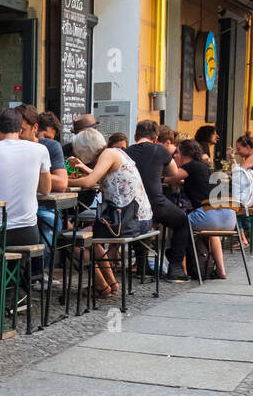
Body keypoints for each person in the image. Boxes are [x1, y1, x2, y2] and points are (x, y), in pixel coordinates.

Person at [0, 108, 51, 320]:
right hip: (27, 232)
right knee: (17, 260)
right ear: (19, 129)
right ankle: (7, 300)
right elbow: (46, 189)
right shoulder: (39, 150)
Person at [67, 127, 152, 299]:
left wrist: (62, 180)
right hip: (139, 219)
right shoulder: (115, 153)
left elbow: (91, 181)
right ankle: (110, 284)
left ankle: (101, 286)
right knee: (92, 235)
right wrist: (84, 168)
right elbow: (103, 176)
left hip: (128, 221)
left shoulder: (109, 154)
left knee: (73, 240)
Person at [128, 120, 189, 280]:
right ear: (155, 138)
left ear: (135, 136)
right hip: (155, 202)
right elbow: (173, 173)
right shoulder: (160, 150)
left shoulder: (126, 152)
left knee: (142, 222)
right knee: (182, 221)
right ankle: (175, 267)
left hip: (132, 206)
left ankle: (142, 265)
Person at [173, 139, 235, 278]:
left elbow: (172, 178)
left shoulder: (190, 165)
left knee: (179, 223)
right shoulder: (205, 167)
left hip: (210, 217)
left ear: (184, 154)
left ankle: (178, 269)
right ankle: (221, 270)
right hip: (229, 218)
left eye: (176, 152)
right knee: (212, 232)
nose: (174, 155)